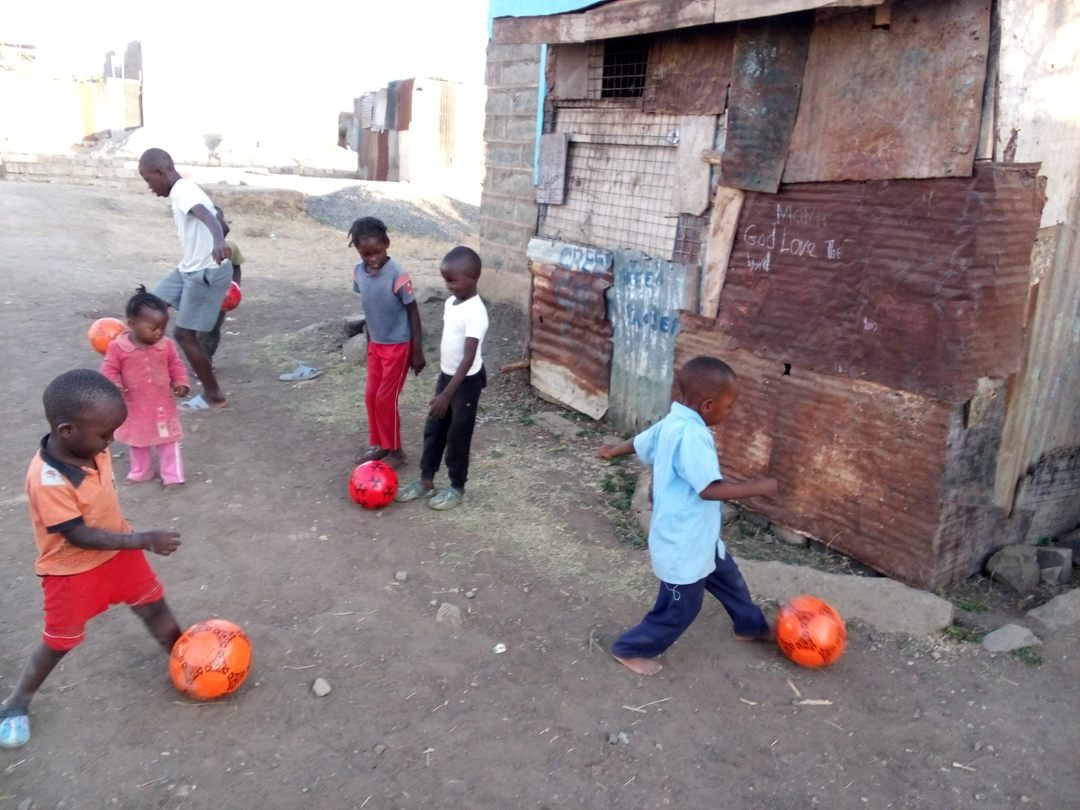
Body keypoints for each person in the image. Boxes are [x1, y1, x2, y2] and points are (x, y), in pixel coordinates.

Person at [0, 370, 182, 749]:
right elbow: (78, 535)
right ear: (66, 430)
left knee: (154, 607)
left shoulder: (90, 449)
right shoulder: (48, 479)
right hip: (71, 572)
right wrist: (142, 540)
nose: (110, 442)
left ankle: (187, 660)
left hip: (119, 555)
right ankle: (16, 703)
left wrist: (129, 543)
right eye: (104, 434)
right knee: (59, 641)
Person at [597, 356, 778, 676]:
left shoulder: (674, 421)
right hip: (681, 544)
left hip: (701, 538)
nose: (729, 412)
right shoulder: (693, 435)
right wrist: (758, 487)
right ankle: (630, 648)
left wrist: (614, 450)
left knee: (731, 582)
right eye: (728, 406)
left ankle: (750, 626)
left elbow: (641, 442)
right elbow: (708, 490)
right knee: (680, 608)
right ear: (708, 405)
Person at [137, 148, 231, 408]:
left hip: (206, 272)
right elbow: (220, 222)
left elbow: (207, 216)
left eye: (148, 180)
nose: (149, 187)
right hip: (188, 268)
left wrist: (218, 241)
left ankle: (213, 394)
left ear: (161, 172)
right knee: (148, 307)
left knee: (184, 334)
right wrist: (217, 233)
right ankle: (143, 370)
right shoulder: (185, 190)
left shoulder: (184, 191)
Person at [396, 246, 488, 511]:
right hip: (447, 377)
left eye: (452, 280)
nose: (448, 286)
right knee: (434, 429)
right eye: (445, 279)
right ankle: (426, 481)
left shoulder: (476, 312)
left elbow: (468, 358)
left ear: (472, 277)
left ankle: (456, 486)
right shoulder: (451, 303)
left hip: (465, 384)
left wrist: (447, 395)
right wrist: (443, 387)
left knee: (458, 435)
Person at [348, 217, 425, 468]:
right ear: (357, 250)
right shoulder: (358, 273)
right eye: (365, 254)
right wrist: (370, 339)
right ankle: (381, 444)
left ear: (387, 244)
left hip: (399, 345)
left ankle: (396, 452)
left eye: (377, 251)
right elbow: (369, 305)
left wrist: (417, 351)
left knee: (385, 398)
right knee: (372, 395)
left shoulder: (398, 275)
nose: (372, 258)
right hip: (376, 345)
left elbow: (413, 312)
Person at [100, 286, 191, 486]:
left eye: (163, 327)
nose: (159, 332)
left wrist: (181, 382)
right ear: (132, 324)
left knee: (168, 441)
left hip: (162, 405)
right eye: (153, 328)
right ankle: (141, 471)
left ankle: (173, 476)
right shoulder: (118, 347)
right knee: (137, 440)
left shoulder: (166, 345)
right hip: (135, 405)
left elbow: (175, 365)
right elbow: (109, 369)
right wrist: (114, 384)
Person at [197, 206, 244, 360]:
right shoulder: (198, 248)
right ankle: (204, 361)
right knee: (201, 331)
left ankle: (208, 358)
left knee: (214, 329)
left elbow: (236, 267)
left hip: (221, 297)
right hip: (201, 295)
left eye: (219, 222)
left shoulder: (231, 247)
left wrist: (235, 287)